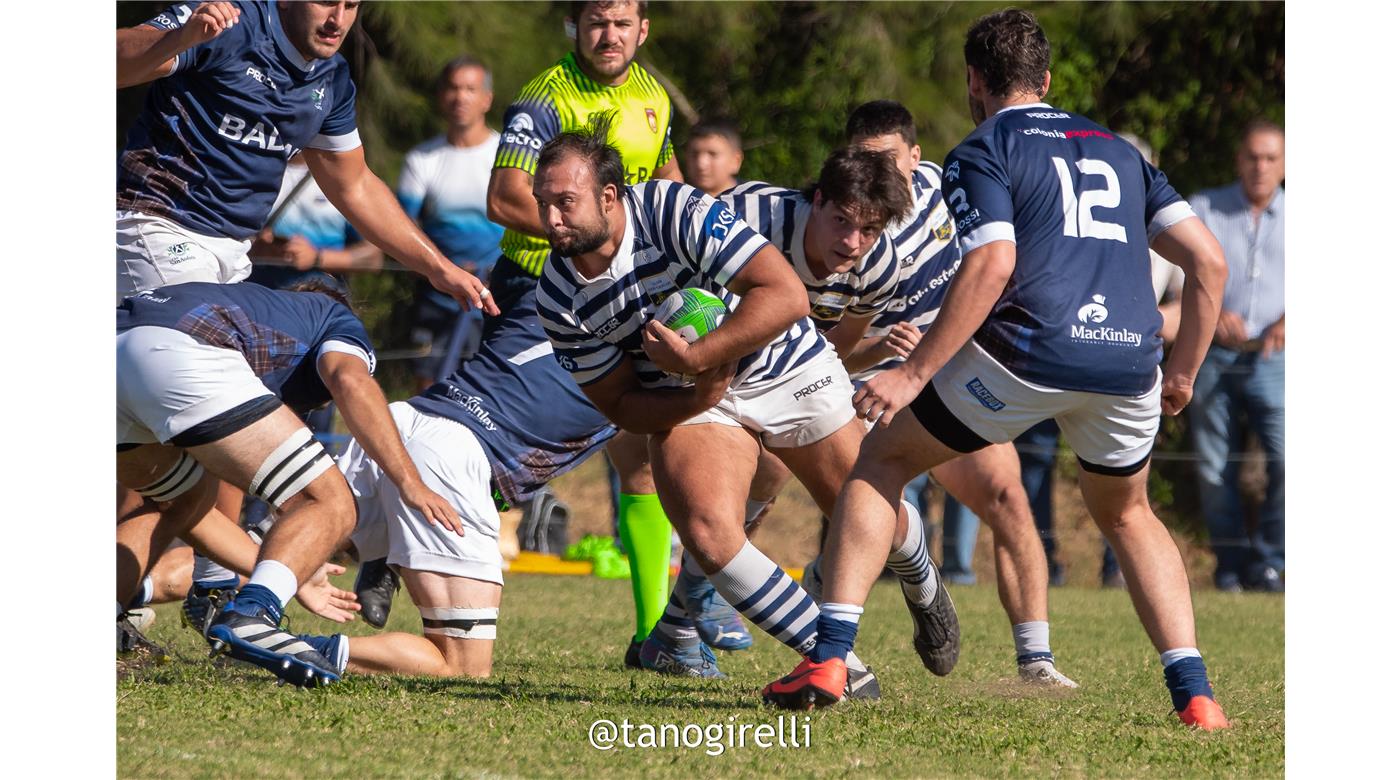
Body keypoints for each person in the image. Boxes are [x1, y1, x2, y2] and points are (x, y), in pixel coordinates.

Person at [763, 9, 1231, 730]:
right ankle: (1195, 696)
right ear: (1046, 80)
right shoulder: (1119, 150)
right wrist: (1183, 373)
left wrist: (912, 374)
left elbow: (994, 263)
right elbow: (1208, 263)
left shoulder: (983, 147)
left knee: (880, 461)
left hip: (1028, 352)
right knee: (1131, 515)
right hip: (1128, 363)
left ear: (974, 80)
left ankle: (829, 657)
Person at [534, 121, 927, 697]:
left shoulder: (670, 207)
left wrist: (695, 357)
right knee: (707, 529)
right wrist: (694, 392)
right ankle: (838, 664)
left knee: (870, 508)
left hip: (785, 359)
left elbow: (787, 298)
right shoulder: (557, 295)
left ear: (609, 197)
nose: (550, 221)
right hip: (696, 400)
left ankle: (923, 581)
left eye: (564, 203)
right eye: (543, 204)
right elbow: (619, 401)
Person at [485, 0, 719, 664]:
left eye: (621, 23)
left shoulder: (653, 96)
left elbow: (668, 189)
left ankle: (658, 638)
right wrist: (593, 237)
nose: (608, 35)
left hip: (621, 292)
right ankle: (386, 545)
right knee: (507, 445)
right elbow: (504, 199)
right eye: (596, 22)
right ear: (576, 27)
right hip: (538, 291)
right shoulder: (545, 97)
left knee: (641, 456)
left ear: (642, 30)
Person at [117, 281, 461, 687]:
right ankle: (253, 614)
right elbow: (350, 380)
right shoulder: (333, 317)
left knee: (177, 504)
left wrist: (293, 569)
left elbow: (202, 521)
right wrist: (408, 479)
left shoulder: (252, 312)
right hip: (180, 352)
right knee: (332, 500)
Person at [840, 99, 1076, 685]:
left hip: (954, 377)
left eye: (890, 161)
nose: (880, 177)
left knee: (1008, 497)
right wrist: (882, 348)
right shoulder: (842, 226)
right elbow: (834, 349)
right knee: (858, 510)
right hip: (873, 391)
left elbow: (1002, 265)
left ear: (916, 158)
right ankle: (712, 615)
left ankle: (1036, 662)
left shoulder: (957, 186)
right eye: (866, 162)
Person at [300, 279, 617, 678]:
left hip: (396, 422)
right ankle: (292, 648)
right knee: (463, 664)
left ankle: (228, 600)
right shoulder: (646, 361)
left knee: (266, 552)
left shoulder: (549, 286)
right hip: (450, 459)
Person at [115, 1, 493, 314]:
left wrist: (440, 269)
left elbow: (355, 186)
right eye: (327, 2)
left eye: (351, 6)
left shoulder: (333, 79)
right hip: (159, 228)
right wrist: (178, 39)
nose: (337, 20)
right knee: (214, 378)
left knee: (328, 351)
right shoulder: (229, 22)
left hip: (232, 253)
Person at [1187, 120, 1285, 593]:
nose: (1260, 167)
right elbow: (1176, 269)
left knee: (1287, 458)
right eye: (1252, 156)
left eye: (1270, 158)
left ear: (1283, 164)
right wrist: (1215, 308)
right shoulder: (1204, 207)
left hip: (1277, 357)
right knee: (1211, 467)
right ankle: (1229, 565)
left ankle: (1270, 563)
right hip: (1215, 353)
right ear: (1238, 160)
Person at [399, 55, 507, 391]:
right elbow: (401, 232)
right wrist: (443, 269)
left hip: (498, 298)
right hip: (438, 298)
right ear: (441, 95)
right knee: (429, 389)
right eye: (453, 88)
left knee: (492, 390)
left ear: (487, 99)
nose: (461, 97)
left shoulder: (508, 156)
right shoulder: (421, 160)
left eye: (470, 89)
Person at [684, 118, 745, 197]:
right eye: (694, 154)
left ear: (736, 161)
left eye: (713, 154)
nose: (701, 164)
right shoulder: (674, 202)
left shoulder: (759, 203)